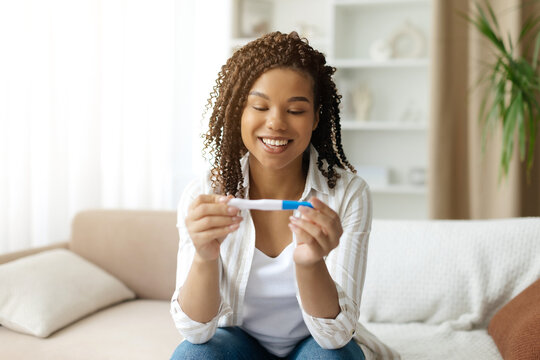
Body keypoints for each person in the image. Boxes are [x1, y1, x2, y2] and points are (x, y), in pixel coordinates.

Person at [170, 31, 399, 360]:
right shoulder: (205, 192)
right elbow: (195, 332)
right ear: (239, 113)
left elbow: (334, 336)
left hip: (314, 343)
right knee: (193, 356)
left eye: (295, 110)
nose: (275, 123)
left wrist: (310, 264)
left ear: (317, 118)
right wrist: (205, 257)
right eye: (260, 106)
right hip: (238, 342)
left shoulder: (348, 194)